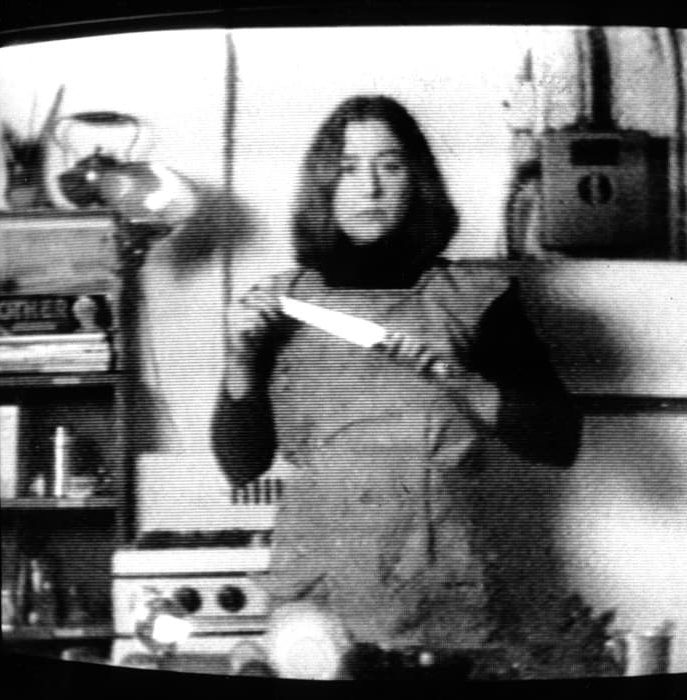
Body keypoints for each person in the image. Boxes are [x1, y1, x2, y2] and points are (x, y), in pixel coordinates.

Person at [211, 95, 580, 655]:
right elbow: (241, 465)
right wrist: (239, 360)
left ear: (418, 182)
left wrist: (459, 382)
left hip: (441, 592)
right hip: (316, 594)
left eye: (390, 166)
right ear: (324, 186)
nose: (370, 188)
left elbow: (560, 440)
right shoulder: (280, 303)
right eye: (348, 168)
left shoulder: (477, 298)